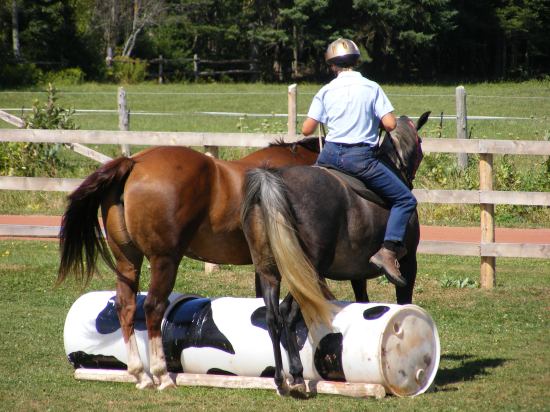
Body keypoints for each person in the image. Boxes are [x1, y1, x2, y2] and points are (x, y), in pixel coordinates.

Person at [301, 38, 417, 287]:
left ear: (332, 66)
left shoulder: (325, 91)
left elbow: (306, 129)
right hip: (360, 159)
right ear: (356, 61)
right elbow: (390, 125)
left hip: (329, 156)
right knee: (406, 199)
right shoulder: (371, 87)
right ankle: (387, 250)